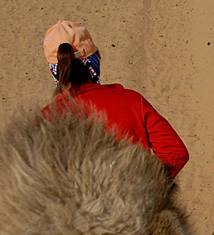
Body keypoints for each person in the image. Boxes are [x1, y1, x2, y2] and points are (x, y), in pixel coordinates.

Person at [41, 21, 189, 177]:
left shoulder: (45, 118)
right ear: (95, 59)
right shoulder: (131, 101)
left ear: (54, 70)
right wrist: (147, 184)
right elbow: (176, 154)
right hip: (134, 198)